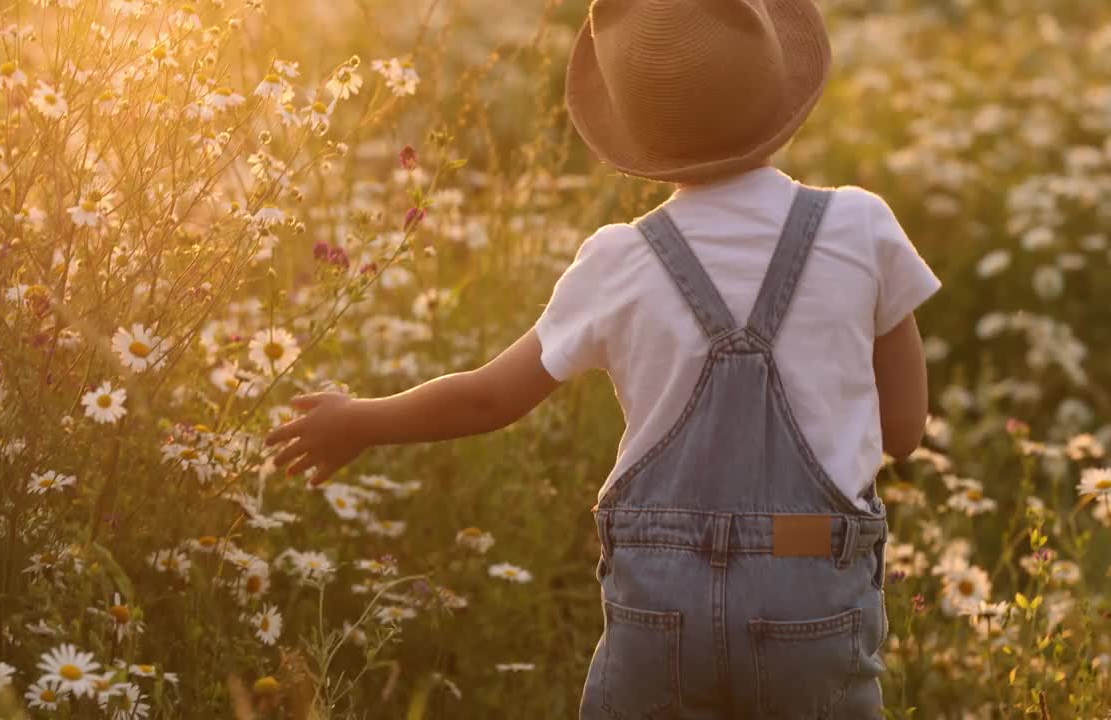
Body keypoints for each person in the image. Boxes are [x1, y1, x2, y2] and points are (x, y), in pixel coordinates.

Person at [265, 0, 941, 716]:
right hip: (813, 595)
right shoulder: (860, 227)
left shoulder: (619, 260)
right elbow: (903, 433)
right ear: (779, 92)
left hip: (662, 606)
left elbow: (489, 399)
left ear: (637, 131)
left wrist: (361, 421)